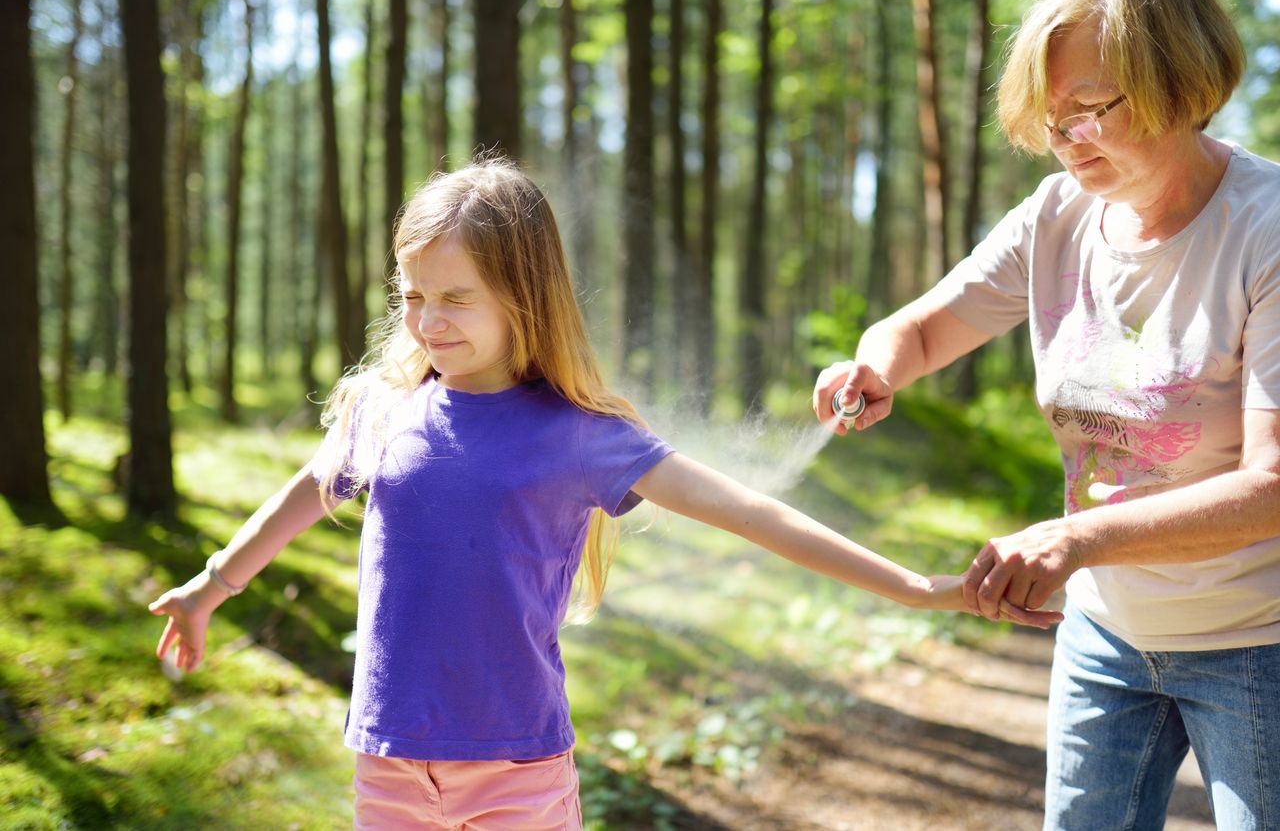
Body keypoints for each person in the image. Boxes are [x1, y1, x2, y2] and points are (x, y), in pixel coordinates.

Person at [148, 159, 1056, 830]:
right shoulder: (381, 412)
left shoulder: (579, 436)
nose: (428, 321)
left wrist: (915, 587)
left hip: (518, 776)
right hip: (387, 767)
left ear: (524, 295)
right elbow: (308, 490)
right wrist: (209, 586)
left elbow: (750, 512)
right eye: (414, 295)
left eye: (455, 298)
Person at [815, 0, 1280, 827]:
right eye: (1048, 115)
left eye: (1088, 107)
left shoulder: (1266, 231)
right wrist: (873, 366)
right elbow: (918, 332)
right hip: (1104, 636)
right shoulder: (1059, 214)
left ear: (1178, 79)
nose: (1064, 140)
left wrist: (1076, 538)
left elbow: (1273, 486)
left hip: (1258, 641)